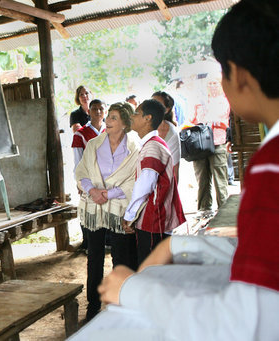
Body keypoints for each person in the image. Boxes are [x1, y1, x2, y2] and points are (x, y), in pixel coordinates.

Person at [72, 1, 279, 339]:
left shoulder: (270, 168)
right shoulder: (98, 143)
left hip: (144, 216)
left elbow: (246, 321)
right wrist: (183, 247)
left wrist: (134, 290)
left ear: (238, 77)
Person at [75, 102, 140, 321]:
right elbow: (81, 171)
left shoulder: (134, 147)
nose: (107, 121)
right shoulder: (94, 144)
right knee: (94, 257)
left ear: (124, 123)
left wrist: (108, 195)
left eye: (113, 117)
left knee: (121, 258)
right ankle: (93, 305)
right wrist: (92, 190)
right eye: (108, 117)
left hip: (119, 210)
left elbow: (134, 181)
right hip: (93, 207)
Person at [122, 99, 186, 265]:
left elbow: (145, 185)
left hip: (154, 220)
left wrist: (130, 215)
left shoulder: (153, 147)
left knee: (151, 270)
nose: (132, 117)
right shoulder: (154, 144)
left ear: (147, 118)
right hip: (156, 219)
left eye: (136, 113)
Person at [191, 71, 231, 213]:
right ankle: (204, 209)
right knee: (202, 178)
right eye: (210, 83)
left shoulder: (225, 101)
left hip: (218, 142)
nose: (212, 86)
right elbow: (192, 120)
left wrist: (215, 121)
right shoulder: (199, 102)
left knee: (220, 179)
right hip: (201, 145)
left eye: (215, 83)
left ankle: (224, 210)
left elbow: (226, 122)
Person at [71, 99, 107, 251]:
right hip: (90, 181)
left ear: (105, 111)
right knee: (89, 210)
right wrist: (80, 182)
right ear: (88, 111)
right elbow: (78, 161)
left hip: (108, 180)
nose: (98, 112)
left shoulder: (111, 130)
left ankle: (108, 242)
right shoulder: (81, 134)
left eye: (101, 109)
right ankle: (88, 244)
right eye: (94, 109)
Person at [152, 91, 181, 182]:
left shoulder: (172, 133)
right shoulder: (141, 127)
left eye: (157, 104)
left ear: (166, 110)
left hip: (163, 183)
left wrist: (173, 194)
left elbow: (175, 168)